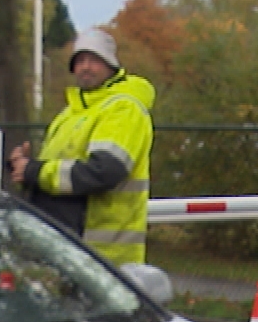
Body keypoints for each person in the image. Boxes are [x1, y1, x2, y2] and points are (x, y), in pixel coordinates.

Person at [9, 28, 155, 265]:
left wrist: (35, 171)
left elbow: (103, 172)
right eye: (80, 60)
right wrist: (22, 168)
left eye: (95, 60)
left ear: (111, 66)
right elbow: (58, 172)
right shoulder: (72, 112)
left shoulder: (123, 109)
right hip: (67, 247)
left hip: (102, 255)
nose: (86, 67)